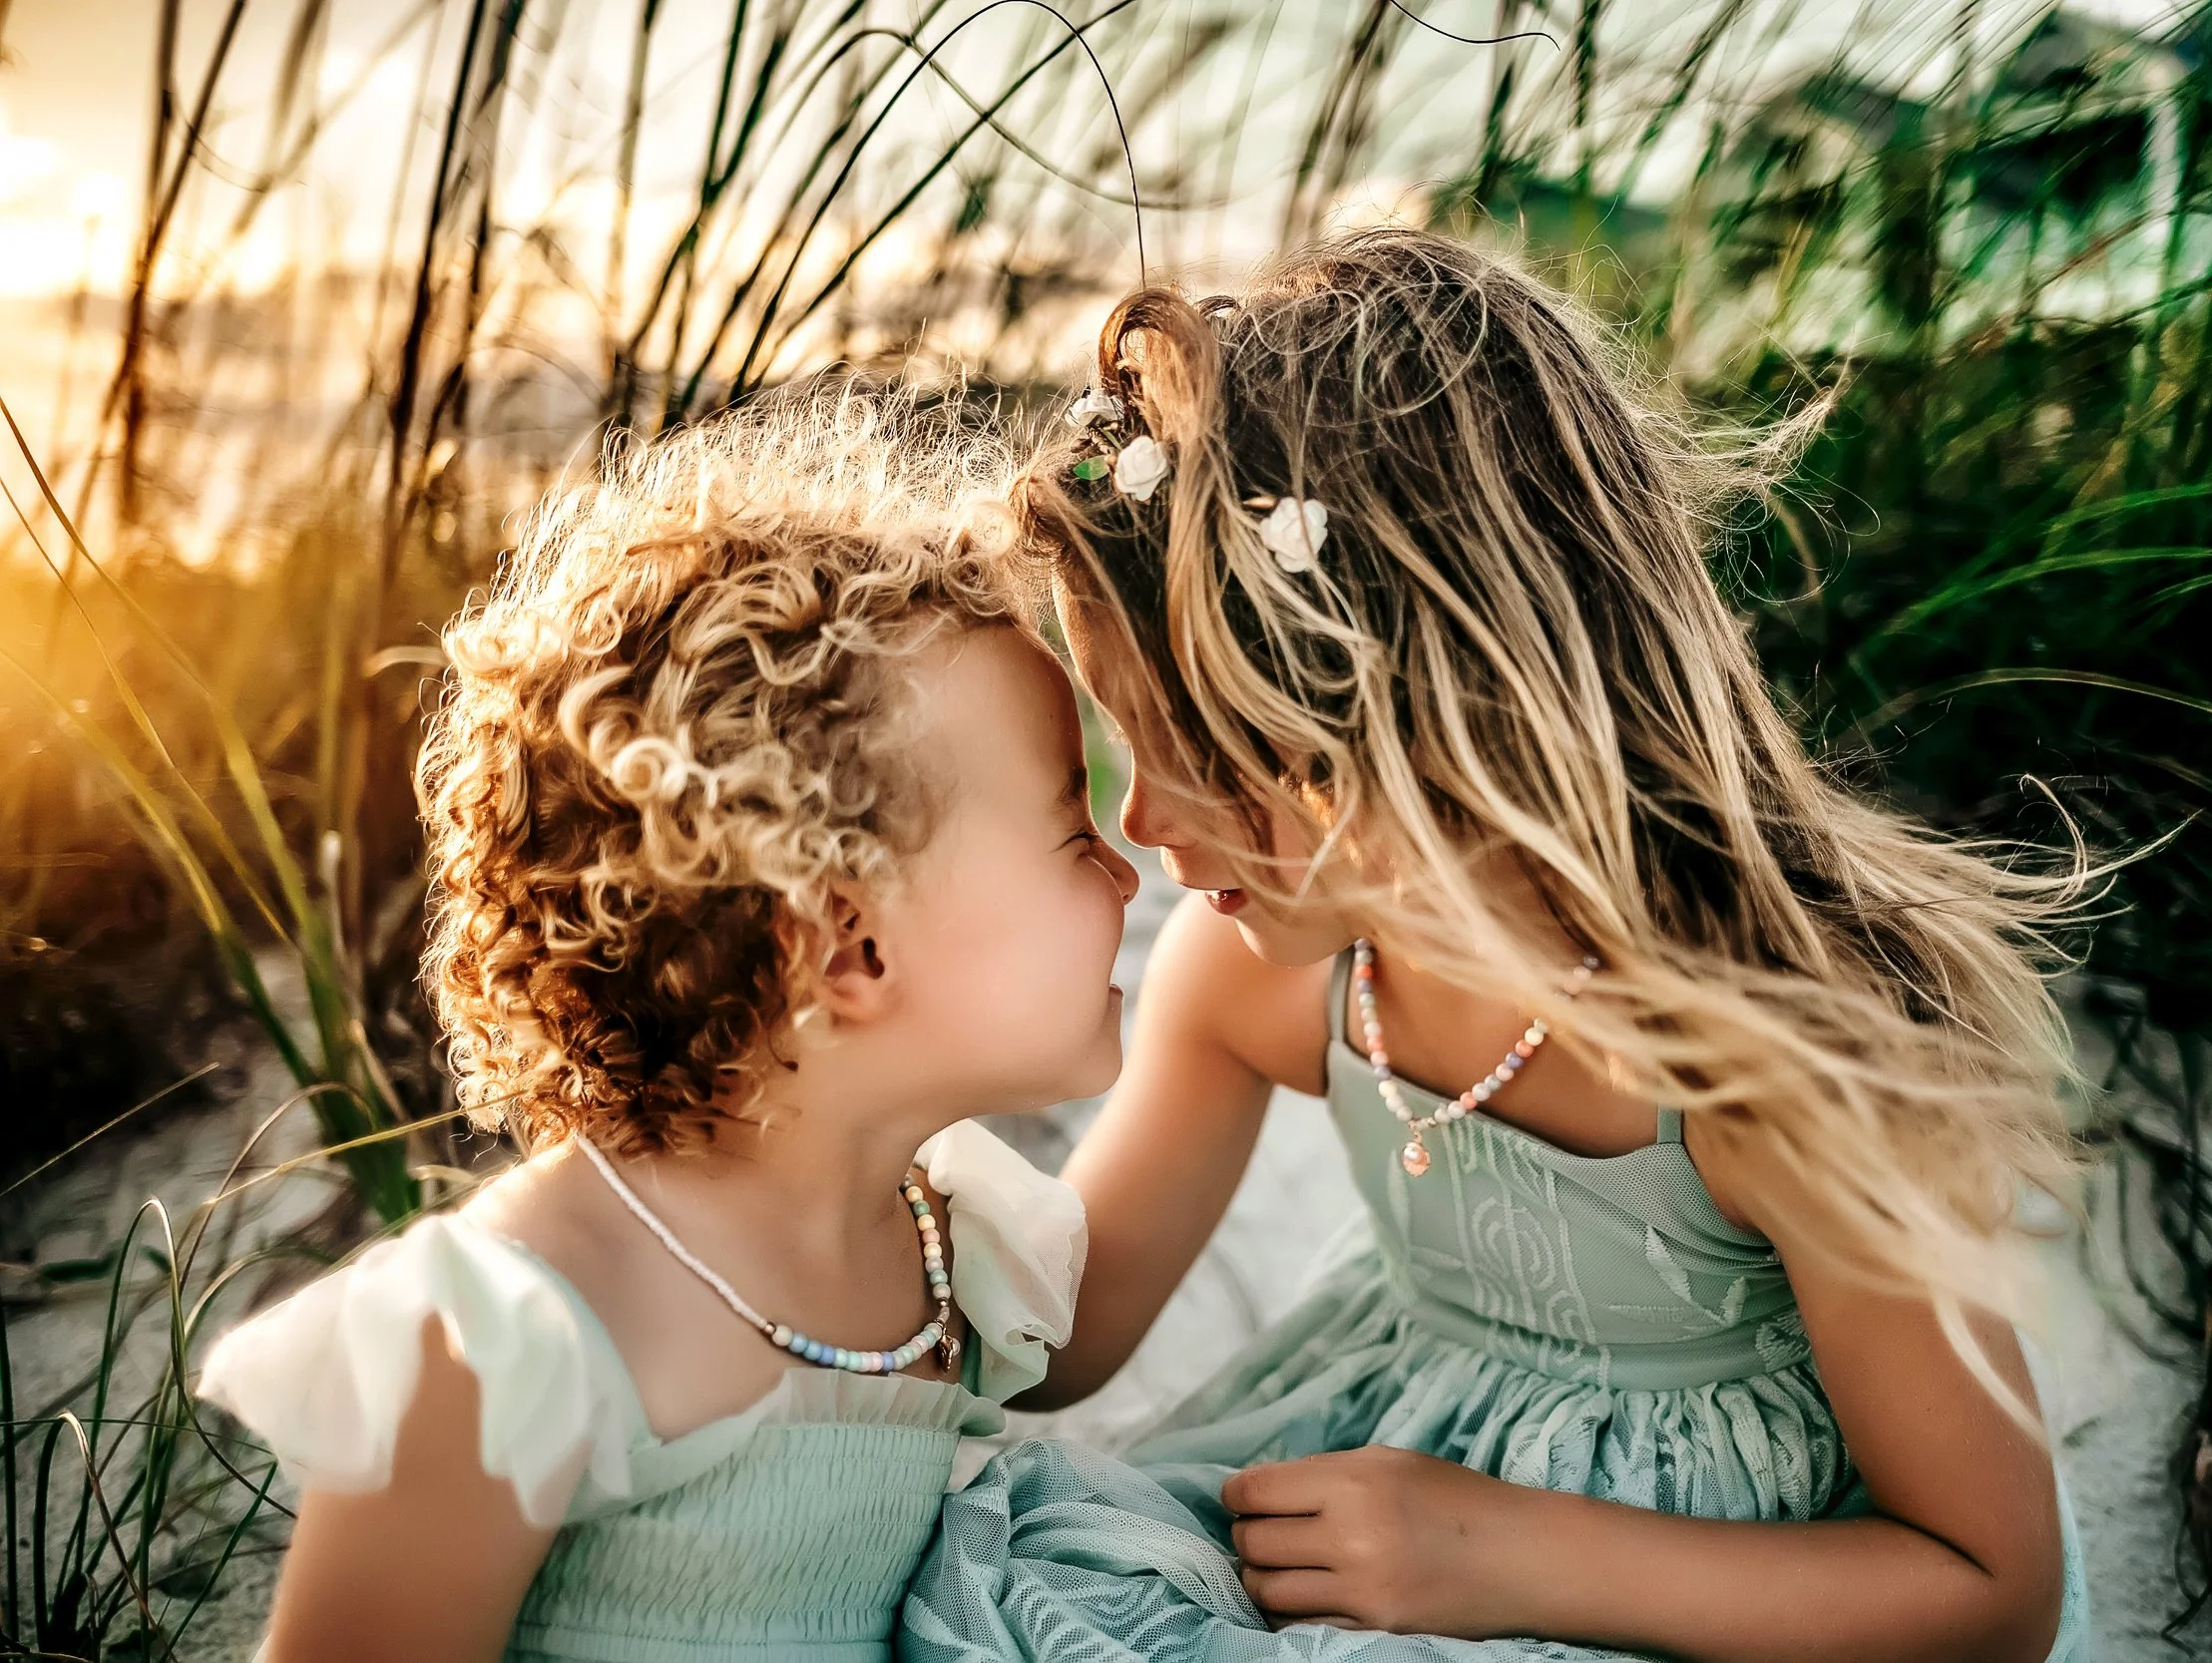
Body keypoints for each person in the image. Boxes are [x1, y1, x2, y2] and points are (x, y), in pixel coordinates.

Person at [904, 229, 2089, 1663]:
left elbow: (1990, 1585)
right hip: (1376, 1489)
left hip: (1714, 1588)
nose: (1144, 820)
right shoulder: (1266, 975)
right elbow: (1057, 1344)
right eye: (1117, 753)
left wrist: (1504, 1551)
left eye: (1193, 749)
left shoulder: (1771, 1054)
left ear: (1416, 701)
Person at [199, 387, 1139, 1663]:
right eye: (1075, 829)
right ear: (849, 946)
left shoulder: (956, 1253)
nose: (1131, 870)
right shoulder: (509, 1335)